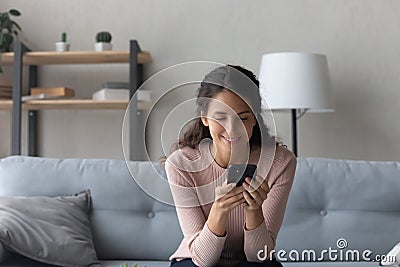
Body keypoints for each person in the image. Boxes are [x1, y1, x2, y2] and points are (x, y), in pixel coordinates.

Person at [164, 65, 297, 267]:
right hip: (196, 260)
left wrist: (254, 211)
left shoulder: (280, 162)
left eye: (243, 118)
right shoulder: (181, 164)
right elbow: (203, 259)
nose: (232, 129)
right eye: (220, 117)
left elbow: (258, 256)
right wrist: (219, 210)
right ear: (204, 117)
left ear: (255, 118)